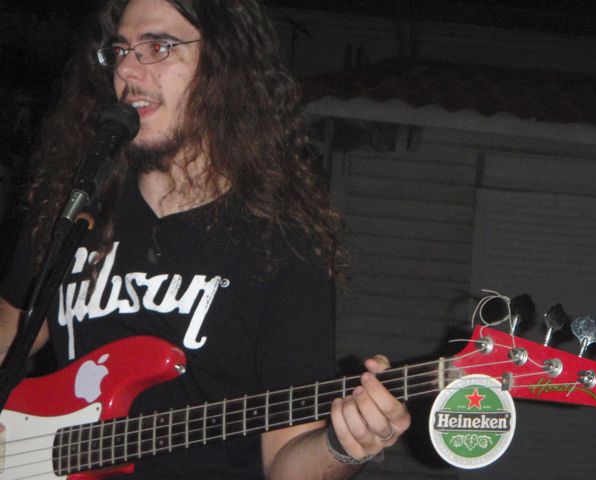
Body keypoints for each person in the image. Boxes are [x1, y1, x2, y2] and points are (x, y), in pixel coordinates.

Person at [0, 0, 411, 478]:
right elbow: (10, 329)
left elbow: (287, 463)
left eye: (158, 47)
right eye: (121, 50)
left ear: (224, 67)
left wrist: (346, 446)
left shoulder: (283, 247)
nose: (127, 69)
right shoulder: (76, 207)